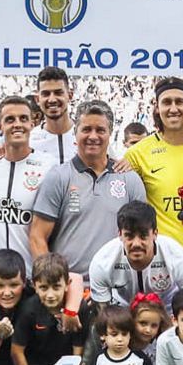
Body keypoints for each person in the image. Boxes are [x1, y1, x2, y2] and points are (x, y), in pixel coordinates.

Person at [30, 101, 147, 274]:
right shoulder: (58, 177)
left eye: (100, 130)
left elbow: (143, 237)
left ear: (110, 134)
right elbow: (37, 237)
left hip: (118, 290)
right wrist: (55, 280)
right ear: (75, 133)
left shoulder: (130, 180)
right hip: (72, 289)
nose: (93, 136)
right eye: (86, 129)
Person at [0, 96, 49, 280]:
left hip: (30, 277)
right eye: (10, 119)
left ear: (32, 123)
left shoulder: (49, 167)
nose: (17, 124)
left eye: (23, 119)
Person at [123, 78, 183, 243]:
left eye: (179, 102)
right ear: (157, 107)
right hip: (164, 254)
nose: (173, 108)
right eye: (167, 102)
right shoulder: (137, 153)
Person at [86, 200, 183, 307]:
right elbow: (103, 314)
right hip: (122, 314)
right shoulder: (102, 262)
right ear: (120, 234)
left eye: (143, 235)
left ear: (155, 234)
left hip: (167, 312)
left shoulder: (177, 256)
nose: (136, 244)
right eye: (129, 236)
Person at [10, 253, 82, 365]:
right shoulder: (28, 309)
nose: (50, 295)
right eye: (43, 287)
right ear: (34, 286)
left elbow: (78, 353)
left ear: (67, 284)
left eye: (56, 287)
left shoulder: (78, 309)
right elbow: (17, 351)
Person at [78, 306, 153, 365]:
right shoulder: (99, 359)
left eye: (124, 334)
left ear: (130, 334)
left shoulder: (139, 357)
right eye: (114, 334)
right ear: (103, 335)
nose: (120, 339)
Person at [28, 66, 76, 167]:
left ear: (70, 95)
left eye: (58, 93)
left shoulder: (88, 136)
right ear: (37, 99)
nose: (52, 99)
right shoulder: (30, 140)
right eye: (46, 94)